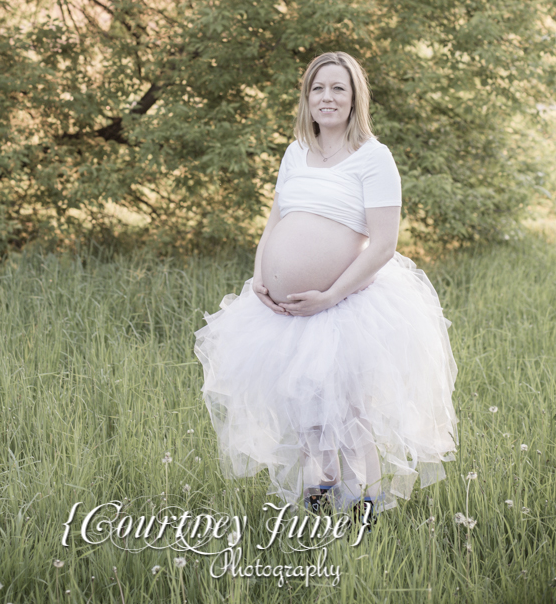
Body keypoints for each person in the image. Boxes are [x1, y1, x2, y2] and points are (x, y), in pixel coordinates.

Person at [194, 51, 458, 514]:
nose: (327, 97)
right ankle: (319, 502)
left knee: (349, 411)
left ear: (355, 97)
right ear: (307, 98)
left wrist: (331, 294)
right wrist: (260, 275)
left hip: (343, 303)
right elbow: (275, 220)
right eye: (318, 88)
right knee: (306, 411)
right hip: (282, 308)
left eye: (338, 88)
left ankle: (366, 510)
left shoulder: (374, 158)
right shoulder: (296, 152)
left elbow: (382, 246)